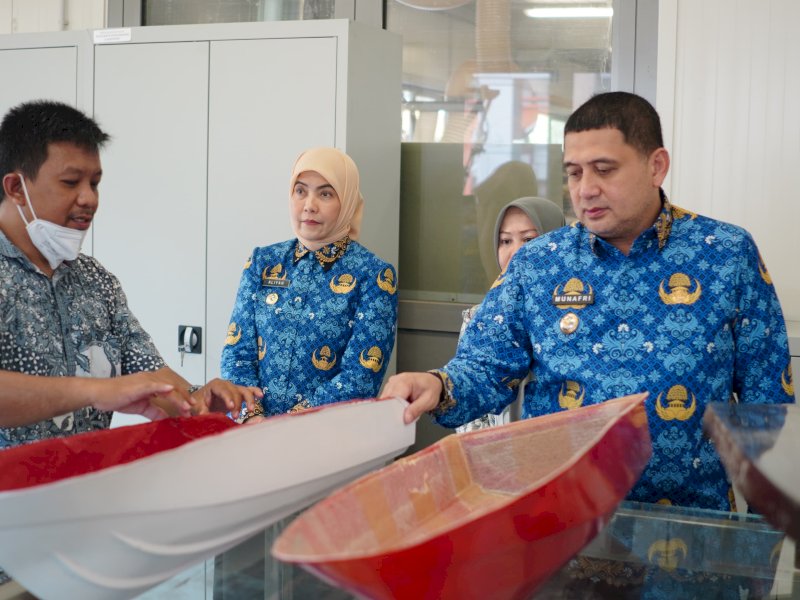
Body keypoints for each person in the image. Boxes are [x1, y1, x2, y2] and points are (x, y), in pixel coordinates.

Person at [383, 91, 795, 510]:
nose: (586, 189)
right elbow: (486, 368)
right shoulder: (539, 262)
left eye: (604, 170)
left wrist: (768, 531)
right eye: (574, 173)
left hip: (690, 527)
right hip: (559, 521)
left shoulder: (724, 254)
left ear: (656, 166)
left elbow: (768, 405)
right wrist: (436, 383)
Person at [0, 100, 262, 450]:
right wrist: (95, 391)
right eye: (70, 182)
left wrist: (197, 398)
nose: (88, 198)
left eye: (95, 183)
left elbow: (149, 375)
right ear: (16, 187)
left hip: (87, 492)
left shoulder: (96, 282)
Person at [221, 147, 398, 423]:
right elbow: (237, 352)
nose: (309, 206)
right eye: (300, 191)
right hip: (251, 434)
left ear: (348, 202)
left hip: (327, 438)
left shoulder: (373, 275)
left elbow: (360, 377)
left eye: (325, 194)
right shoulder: (263, 262)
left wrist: (290, 426)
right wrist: (252, 417)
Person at [457, 196, 565, 432]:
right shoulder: (480, 318)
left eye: (529, 239)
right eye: (505, 241)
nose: (516, 253)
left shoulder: (574, 318)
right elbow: (472, 423)